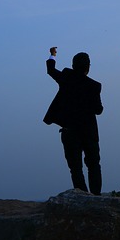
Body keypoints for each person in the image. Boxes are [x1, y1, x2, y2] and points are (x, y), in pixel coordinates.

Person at [44, 47, 104, 195]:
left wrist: (52, 55)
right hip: (88, 131)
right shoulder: (94, 86)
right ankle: (96, 196)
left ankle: (83, 196)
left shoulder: (67, 77)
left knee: (75, 167)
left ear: (73, 65)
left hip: (70, 130)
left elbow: (51, 70)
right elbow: (98, 109)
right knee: (93, 164)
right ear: (88, 67)